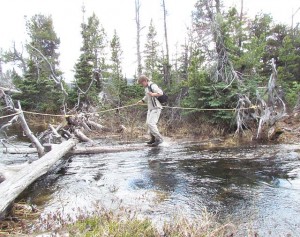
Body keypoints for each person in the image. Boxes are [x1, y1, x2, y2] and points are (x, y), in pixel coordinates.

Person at [137, 75, 163, 146]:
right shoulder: (146, 88)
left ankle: (159, 139)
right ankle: (153, 139)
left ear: (145, 81)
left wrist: (153, 94)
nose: (141, 85)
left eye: (142, 83)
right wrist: (142, 100)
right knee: (148, 123)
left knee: (151, 123)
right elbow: (146, 96)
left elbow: (161, 93)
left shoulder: (153, 85)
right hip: (150, 108)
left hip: (156, 107)